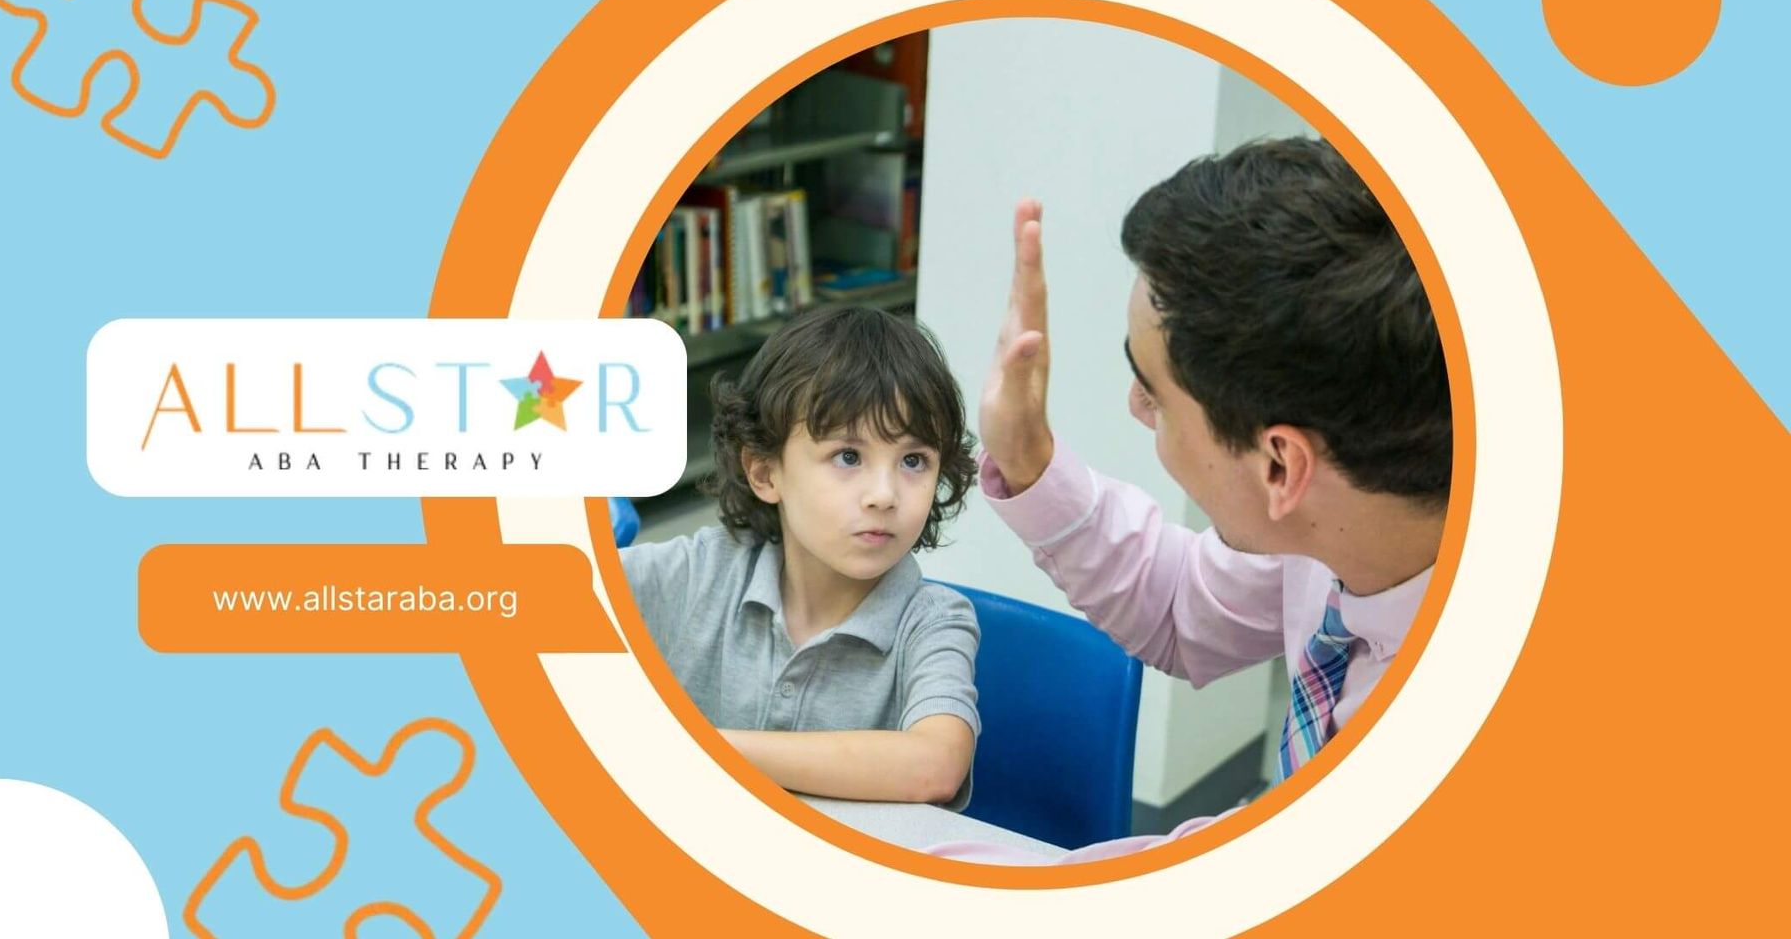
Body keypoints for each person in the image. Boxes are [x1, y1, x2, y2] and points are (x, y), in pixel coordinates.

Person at [947, 136, 1451, 860]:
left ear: (1281, 466)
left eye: (1153, 390)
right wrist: (1027, 457)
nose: (1135, 406)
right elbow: (1184, 606)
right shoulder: (1353, 520)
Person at [619, 305, 983, 808]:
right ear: (766, 473)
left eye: (913, 461)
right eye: (848, 457)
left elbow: (935, 766)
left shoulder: (932, 621)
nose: (884, 494)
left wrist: (693, 745)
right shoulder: (707, 569)